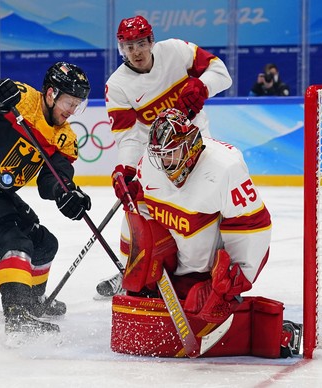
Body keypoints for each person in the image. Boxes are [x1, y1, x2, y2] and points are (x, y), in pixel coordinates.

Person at [109, 108, 302, 358]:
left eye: (171, 153)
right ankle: (147, 285)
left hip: (206, 277)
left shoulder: (225, 167)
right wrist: (139, 267)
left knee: (198, 307)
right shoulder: (150, 161)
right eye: (161, 155)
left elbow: (252, 224)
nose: (166, 163)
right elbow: (143, 210)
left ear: (190, 145)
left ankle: (276, 332)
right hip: (168, 271)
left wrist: (235, 279)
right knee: (133, 219)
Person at [0, 62, 92, 334]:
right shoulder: (19, 98)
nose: (72, 111)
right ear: (50, 94)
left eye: (77, 105)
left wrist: (66, 192)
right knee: (13, 240)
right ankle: (17, 314)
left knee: (45, 243)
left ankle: (32, 303)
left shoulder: (65, 138)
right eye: (69, 102)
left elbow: (52, 180)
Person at [98, 15, 232, 297]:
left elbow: (221, 72)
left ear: (151, 41)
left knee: (210, 210)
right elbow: (129, 136)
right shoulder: (118, 85)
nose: (135, 52)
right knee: (136, 210)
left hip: (200, 149)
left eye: (140, 44)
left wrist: (202, 86)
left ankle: (220, 271)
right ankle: (128, 269)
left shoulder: (176, 50)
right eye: (128, 46)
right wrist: (127, 169)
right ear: (121, 48)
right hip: (160, 159)